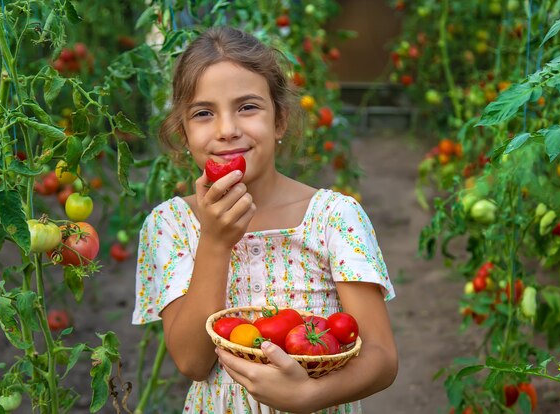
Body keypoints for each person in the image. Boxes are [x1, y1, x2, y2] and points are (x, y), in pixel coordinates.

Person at [132, 26, 397, 413]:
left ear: (280, 121)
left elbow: (382, 357)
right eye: (203, 113)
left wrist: (310, 396)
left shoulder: (333, 218)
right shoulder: (169, 225)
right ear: (183, 133)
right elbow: (192, 362)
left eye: (248, 107)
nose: (227, 130)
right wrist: (215, 241)